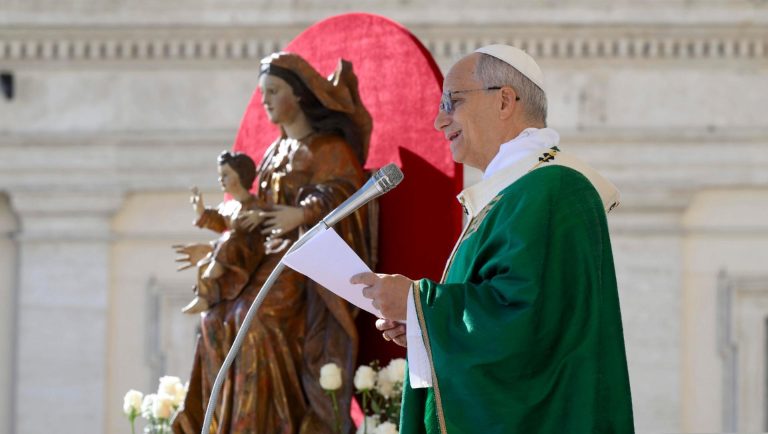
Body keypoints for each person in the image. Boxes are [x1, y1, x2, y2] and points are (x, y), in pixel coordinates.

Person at [353, 44, 634, 433]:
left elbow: (529, 323)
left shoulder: (555, 188)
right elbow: (504, 316)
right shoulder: (516, 192)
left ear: (504, 101)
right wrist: (423, 327)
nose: (439, 121)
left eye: (452, 102)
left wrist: (418, 303)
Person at [173, 52, 373, 434]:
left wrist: (302, 214)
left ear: (298, 95)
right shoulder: (272, 153)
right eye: (262, 92)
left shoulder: (330, 149)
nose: (264, 100)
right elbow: (254, 209)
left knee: (256, 321)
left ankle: (270, 423)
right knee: (214, 318)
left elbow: (348, 195)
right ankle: (226, 422)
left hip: (305, 263)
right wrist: (221, 242)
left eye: (274, 91)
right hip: (262, 258)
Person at [177, 151, 267, 315]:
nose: (221, 179)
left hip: (249, 254)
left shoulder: (255, 203)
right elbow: (219, 220)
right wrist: (202, 211)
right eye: (220, 175)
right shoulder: (230, 206)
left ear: (241, 176)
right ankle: (204, 298)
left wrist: (260, 216)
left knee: (230, 238)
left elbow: (268, 214)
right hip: (229, 254)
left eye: (225, 175)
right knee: (204, 264)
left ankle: (216, 269)